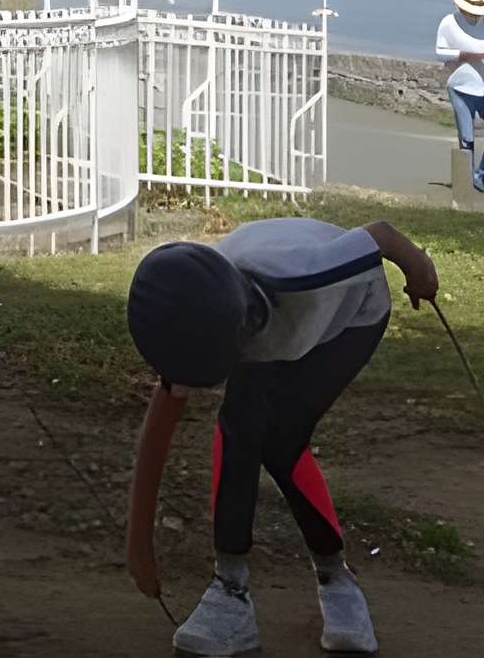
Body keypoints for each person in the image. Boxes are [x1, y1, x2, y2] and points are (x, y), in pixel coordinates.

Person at [125, 216, 440, 656]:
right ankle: (229, 592)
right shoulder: (196, 312)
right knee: (238, 425)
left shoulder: (311, 272)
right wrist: (138, 545)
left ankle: (337, 583)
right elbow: (160, 425)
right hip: (259, 313)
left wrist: (419, 270)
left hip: (349, 316)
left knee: (281, 442)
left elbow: (383, 234)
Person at [436, 0, 484, 195]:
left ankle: (482, 173)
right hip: (460, 85)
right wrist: (463, 55)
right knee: (467, 138)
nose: (475, 15)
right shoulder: (449, 22)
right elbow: (440, 51)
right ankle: (464, 178)